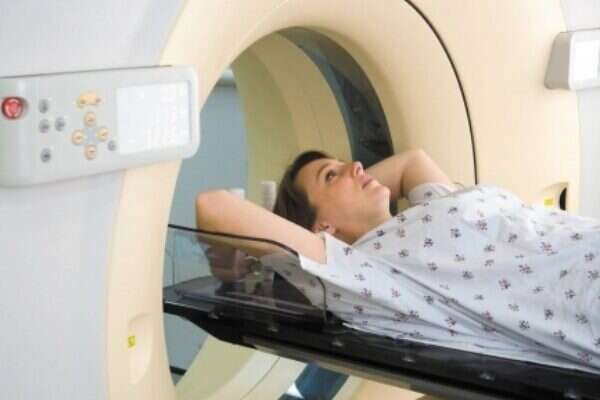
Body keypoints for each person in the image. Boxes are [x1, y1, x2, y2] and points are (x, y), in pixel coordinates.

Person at [196, 149, 600, 373]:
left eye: (346, 163)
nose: (356, 166)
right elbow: (213, 207)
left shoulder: (427, 206)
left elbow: (412, 162)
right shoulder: (363, 270)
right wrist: (254, 253)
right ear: (322, 228)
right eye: (331, 175)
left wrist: (348, 187)